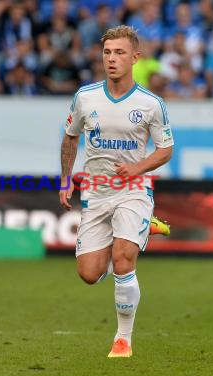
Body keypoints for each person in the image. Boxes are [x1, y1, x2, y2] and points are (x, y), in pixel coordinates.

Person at [58, 25, 174, 358]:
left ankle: (123, 339)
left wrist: (138, 168)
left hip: (134, 188)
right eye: (107, 52)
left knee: (123, 260)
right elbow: (70, 138)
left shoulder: (151, 104)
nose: (112, 59)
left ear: (135, 58)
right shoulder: (86, 97)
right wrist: (67, 179)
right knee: (89, 274)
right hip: (96, 192)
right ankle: (141, 229)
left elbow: (165, 149)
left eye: (120, 53)